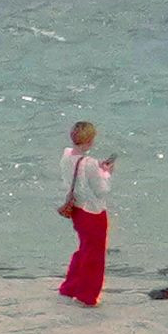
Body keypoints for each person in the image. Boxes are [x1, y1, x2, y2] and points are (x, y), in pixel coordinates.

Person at [56, 120, 115, 305]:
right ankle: (87, 295)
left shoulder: (66, 155)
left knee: (84, 249)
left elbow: (77, 174)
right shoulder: (89, 164)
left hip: (77, 208)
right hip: (93, 211)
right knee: (94, 255)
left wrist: (98, 168)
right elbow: (102, 190)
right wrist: (106, 173)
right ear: (89, 140)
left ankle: (70, 287)